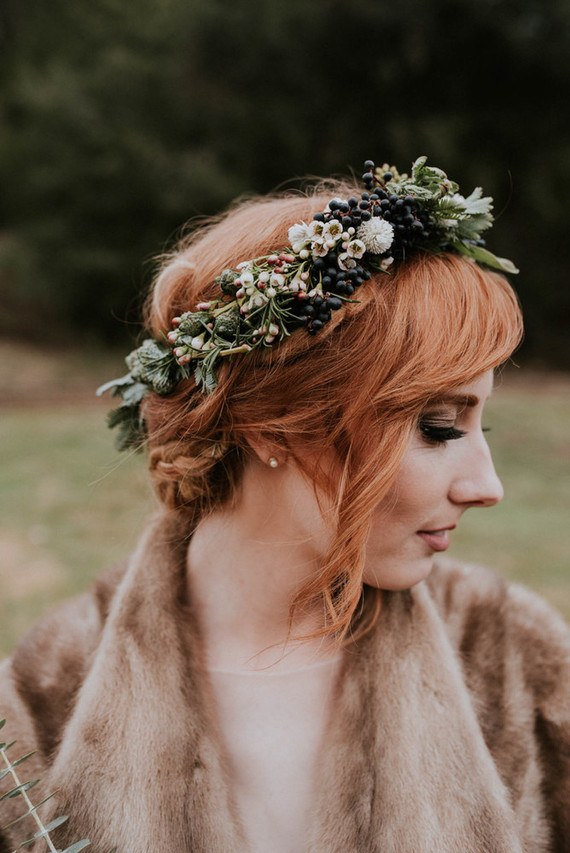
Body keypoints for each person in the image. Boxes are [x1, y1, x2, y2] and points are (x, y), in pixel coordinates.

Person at [0, 158, 568, 853]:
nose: (488, 485)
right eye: (440, 426)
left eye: (481, 425)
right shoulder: (35, 707)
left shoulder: (519, 660)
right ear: (276, 424)